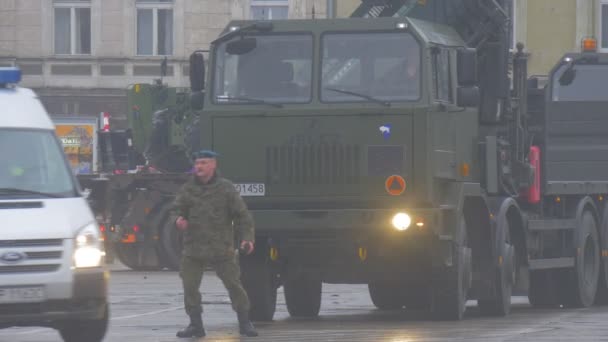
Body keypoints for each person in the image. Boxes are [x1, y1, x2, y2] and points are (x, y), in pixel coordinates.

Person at [172, 150, 258, 338]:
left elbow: (242, 215)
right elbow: (176, 210)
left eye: (203, 163)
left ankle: (245, 322)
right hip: (193, 248)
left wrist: (247, 238)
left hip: (221, 248)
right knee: (189, 286)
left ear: (213, 165)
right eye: (197, 163)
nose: (199, 167)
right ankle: (195, 325)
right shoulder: (188, 189)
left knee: (234, 285)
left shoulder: (225, 189)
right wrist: (178, 220)